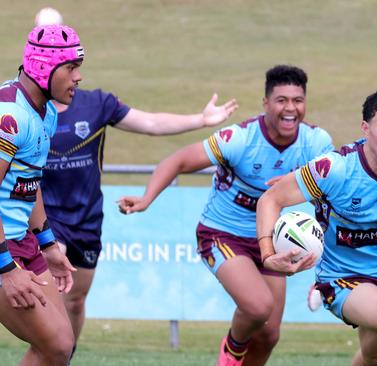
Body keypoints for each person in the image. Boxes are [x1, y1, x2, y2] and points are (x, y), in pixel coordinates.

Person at [33, 8, 239, 351]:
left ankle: (62, 357)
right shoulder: (25, 109)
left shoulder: (96, 103)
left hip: (86, 220)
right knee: (54, 296)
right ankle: (50, 355)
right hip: (45, 220)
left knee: (75, 302)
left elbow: (152, 123)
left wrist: (201, 120)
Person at [118, 65, 334, 366]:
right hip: (221, 234)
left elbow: (332, 199)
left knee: (269, 335)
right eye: (281, 100)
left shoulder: (316, 143)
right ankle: (231, 351)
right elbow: (178, 160)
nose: (290, 108)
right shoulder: (240, 139)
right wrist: (146, 198)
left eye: (297, 100)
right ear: (266, 103)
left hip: (271, 240)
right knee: (258, 307)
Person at [257, 87, 377, 366]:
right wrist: (268, 254)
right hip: (342, 278)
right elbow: (271, 199)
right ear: (365, 129)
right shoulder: (335, 169)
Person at [0, 23, 84, 365]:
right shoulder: (10, 117)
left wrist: (47, 244)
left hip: (20, 240)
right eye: (71, 67)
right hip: (3, 249)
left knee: (60, 347)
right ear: (42, 66)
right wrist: (6, 269)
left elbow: (28, 183)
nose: (78, 77)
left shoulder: (45, 112)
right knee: (57, 345)